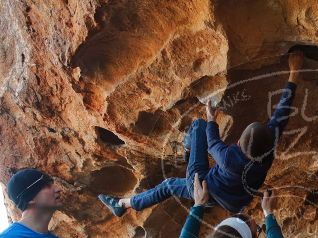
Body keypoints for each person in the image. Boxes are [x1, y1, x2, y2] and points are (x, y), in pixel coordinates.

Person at [99, 49, 304, 217]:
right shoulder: (267, 148)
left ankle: (123, 204)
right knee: (179, 178)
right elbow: (283, 110)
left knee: (196, 131)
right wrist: (294, 72)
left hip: (204, 187)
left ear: (239, 144)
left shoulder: (228, 157)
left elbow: (212, 141)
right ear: (271, 141)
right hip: (234, 201)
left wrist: (211, 117)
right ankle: (186, 162)